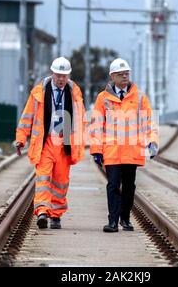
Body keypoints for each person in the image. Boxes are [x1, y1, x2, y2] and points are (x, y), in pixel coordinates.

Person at [15, 57, 86, 230]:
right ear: (52, 73)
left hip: (64, 144)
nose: (61, 79)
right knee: (43, 178)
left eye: (64, 75)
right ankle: (42, 211)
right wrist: (21, 138)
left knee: (61, 182)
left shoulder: (75, 94)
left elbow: (81, 120)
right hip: (45, 143)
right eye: (58, 75)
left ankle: (56, 215)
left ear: (68, 75)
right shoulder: (39, 93)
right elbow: (27, 117)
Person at [90, 58, 159, 233]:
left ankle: (125, 219)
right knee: (113, 185)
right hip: (112, 150)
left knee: (129, 186)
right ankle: (112, 221)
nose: (124, 77)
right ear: (112, 76)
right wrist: (96, 150)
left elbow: (149, 122)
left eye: (126, 73)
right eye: (121, 74)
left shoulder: (140, 97)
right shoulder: (103, 98)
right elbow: (96, 125)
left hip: (131, 150)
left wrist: (152, 142)